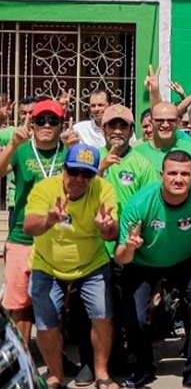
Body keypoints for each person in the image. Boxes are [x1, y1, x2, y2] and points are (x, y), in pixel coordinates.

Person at [115, 150, 191, 389]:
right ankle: (143, 367)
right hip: (142, 262)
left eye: (185, 174)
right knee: (134, 316)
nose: (179, 179)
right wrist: (130, 248)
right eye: (172, 173)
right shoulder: (139, 203)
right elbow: (122, 259)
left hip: (185, 261)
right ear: (161, 175)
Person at [24, 144, 119, 389]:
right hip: (47, 264)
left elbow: (112, 233)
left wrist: (105, 227)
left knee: (102, 316)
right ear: (63, 169)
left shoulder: (103, 189)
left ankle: (102, 373)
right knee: (46, 322)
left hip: (91, 264)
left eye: (87, 174)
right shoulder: (45, 189)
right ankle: (55, 374)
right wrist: (49, 219)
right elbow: (29, 226)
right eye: (73, 171)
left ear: (95, 175)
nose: (79, 179)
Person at [0, 98, 69, 345]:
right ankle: (24, 357)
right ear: (32, 123)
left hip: (59, 237)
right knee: (19, 304)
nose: (46, 125)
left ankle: (55, 359)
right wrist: (11, 145)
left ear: (63, 124)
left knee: (55, 302)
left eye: (53, 120)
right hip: (22, 237)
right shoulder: (21, 149)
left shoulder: (68, 150)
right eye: (41, 120)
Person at [97, 105, 158, 209]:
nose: (117, 131)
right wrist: (100, 168)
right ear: (103, 130)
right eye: (112, 126)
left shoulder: (142, 164)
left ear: (131, 131)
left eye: (123, 127)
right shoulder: (93, 158)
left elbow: (150, 202)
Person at [133, 102, 191, 171]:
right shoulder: (137, 153)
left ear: (178, 123)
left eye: (171, 120)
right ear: (152, 123)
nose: (165, 125)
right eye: (160, 120)